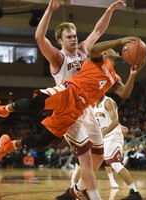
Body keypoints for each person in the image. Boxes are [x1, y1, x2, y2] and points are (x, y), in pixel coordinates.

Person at [0, 36, 145, 200]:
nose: (115, 51)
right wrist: (119, 40)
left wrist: (133, 75)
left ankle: (9, 145)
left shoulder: (115, 77)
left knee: (43, 140)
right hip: (69, 91)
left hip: (77, 109)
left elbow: (125, 93)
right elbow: (95, 48)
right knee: (35, 103)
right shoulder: (99, 58)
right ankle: (3, 109)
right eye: (112, 49)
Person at [35, 0, 126, 199]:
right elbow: (40, 38)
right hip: (69, 109)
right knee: (85, 159)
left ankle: (75, 191)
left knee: (99, 155)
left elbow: (98, 30)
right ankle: (90, 195)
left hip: (87, 108)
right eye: (69, 37)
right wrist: (49, 10)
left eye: (75, 36)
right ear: (60, 40)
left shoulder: (84, 49)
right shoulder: (58, 58)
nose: (74, 40)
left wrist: (109, 10)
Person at [94, 95, 142, 200]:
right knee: (95, 162)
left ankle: (134, 192)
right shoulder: (93, 105)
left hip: (113, 135)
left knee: (114, 163)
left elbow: (114, 121)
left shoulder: (108, 101)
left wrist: (104, 133)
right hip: (104, 137)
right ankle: (80, 188)